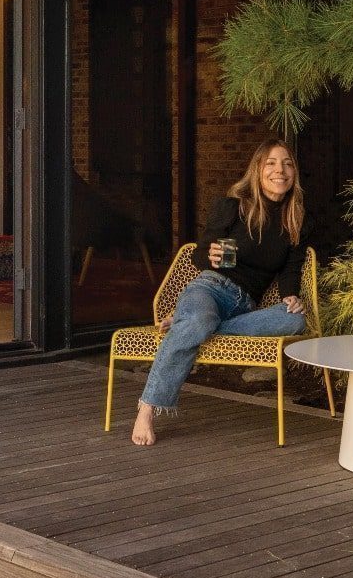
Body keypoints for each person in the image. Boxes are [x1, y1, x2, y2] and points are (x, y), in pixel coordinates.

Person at [131, 139, 312, 446]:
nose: (279, 170)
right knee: (201, 318)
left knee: (295, 320)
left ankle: (188, 324)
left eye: (287, 163)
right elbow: (199, 256)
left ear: (294, 172)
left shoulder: (296, 219)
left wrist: (291, 296)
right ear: (257, 170)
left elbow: (291, 268)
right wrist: (210, 255)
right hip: (210, 288)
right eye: (270, 163)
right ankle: (147, 407)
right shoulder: (233, 206)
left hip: (245, 306)